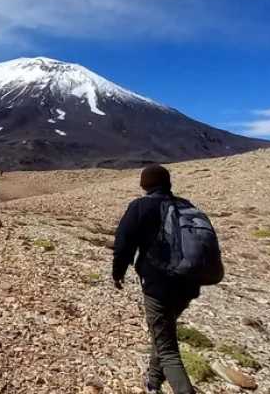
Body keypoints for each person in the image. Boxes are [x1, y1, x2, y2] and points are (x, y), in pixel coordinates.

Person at [112, 165, 200, 394]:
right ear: (168, 183)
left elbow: (123, 243)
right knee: (162, 332)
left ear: (144, 184)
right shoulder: (186, 205)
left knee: (167, 348)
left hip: (158, 285)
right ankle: (153, 382)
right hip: (189, 283)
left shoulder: (141, 206)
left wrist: (118, 272)